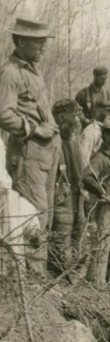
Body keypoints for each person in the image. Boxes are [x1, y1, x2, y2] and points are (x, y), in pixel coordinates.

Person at [0, 18, 58, 225]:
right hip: (29, 155)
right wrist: (34, 130)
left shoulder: (32, 70)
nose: (44, 47)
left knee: (45, 219)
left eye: (45, 40)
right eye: (38, 41)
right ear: (22, 42)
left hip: (45, 156)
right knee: (33, 224)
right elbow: (3, 114)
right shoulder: (10, 72)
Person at [81, 116, 110, 290]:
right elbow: (86, 176)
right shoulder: (100, 158)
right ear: (106, 135)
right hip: (109, 215)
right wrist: (103, 193)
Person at [48, 100, 86, 279]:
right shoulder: (54, 141)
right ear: (60, 117)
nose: (75, 122)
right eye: (72, 117)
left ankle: (70, 271)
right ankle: (58, 272)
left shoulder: (74, 141)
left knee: (77, 230)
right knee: (62, 230)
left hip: (76, 194)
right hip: (61, 196)